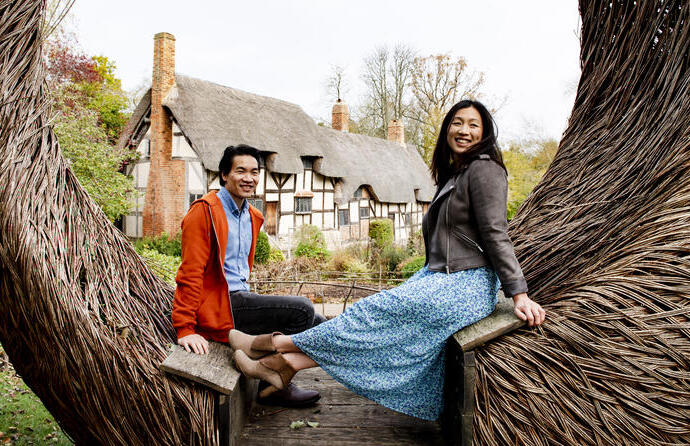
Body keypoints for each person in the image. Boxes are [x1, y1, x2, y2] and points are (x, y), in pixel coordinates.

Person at [228, 101, 546, 420]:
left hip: (468, 283)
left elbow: (495, 232)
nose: (464, 130)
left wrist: (518, 292)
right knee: (376, 319)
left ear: (485, 132)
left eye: (473, 125)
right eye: (457, 122)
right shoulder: (455, 173)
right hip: (441, 277)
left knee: (372, 313)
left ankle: (272, 345)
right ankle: (284, 366)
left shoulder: (485, 169)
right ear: (447, 127)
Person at [171, 144, 326, 407]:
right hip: (221, 306)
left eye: (254, 172)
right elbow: (190, 272)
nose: (249, 178)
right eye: (240, 171)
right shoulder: (204, 212)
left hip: (241, 298)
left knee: (321, 324)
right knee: (302, 310)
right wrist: (185, 328)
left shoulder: (252, 216)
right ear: (223, 175)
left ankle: (270, 377)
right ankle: (273, 379)